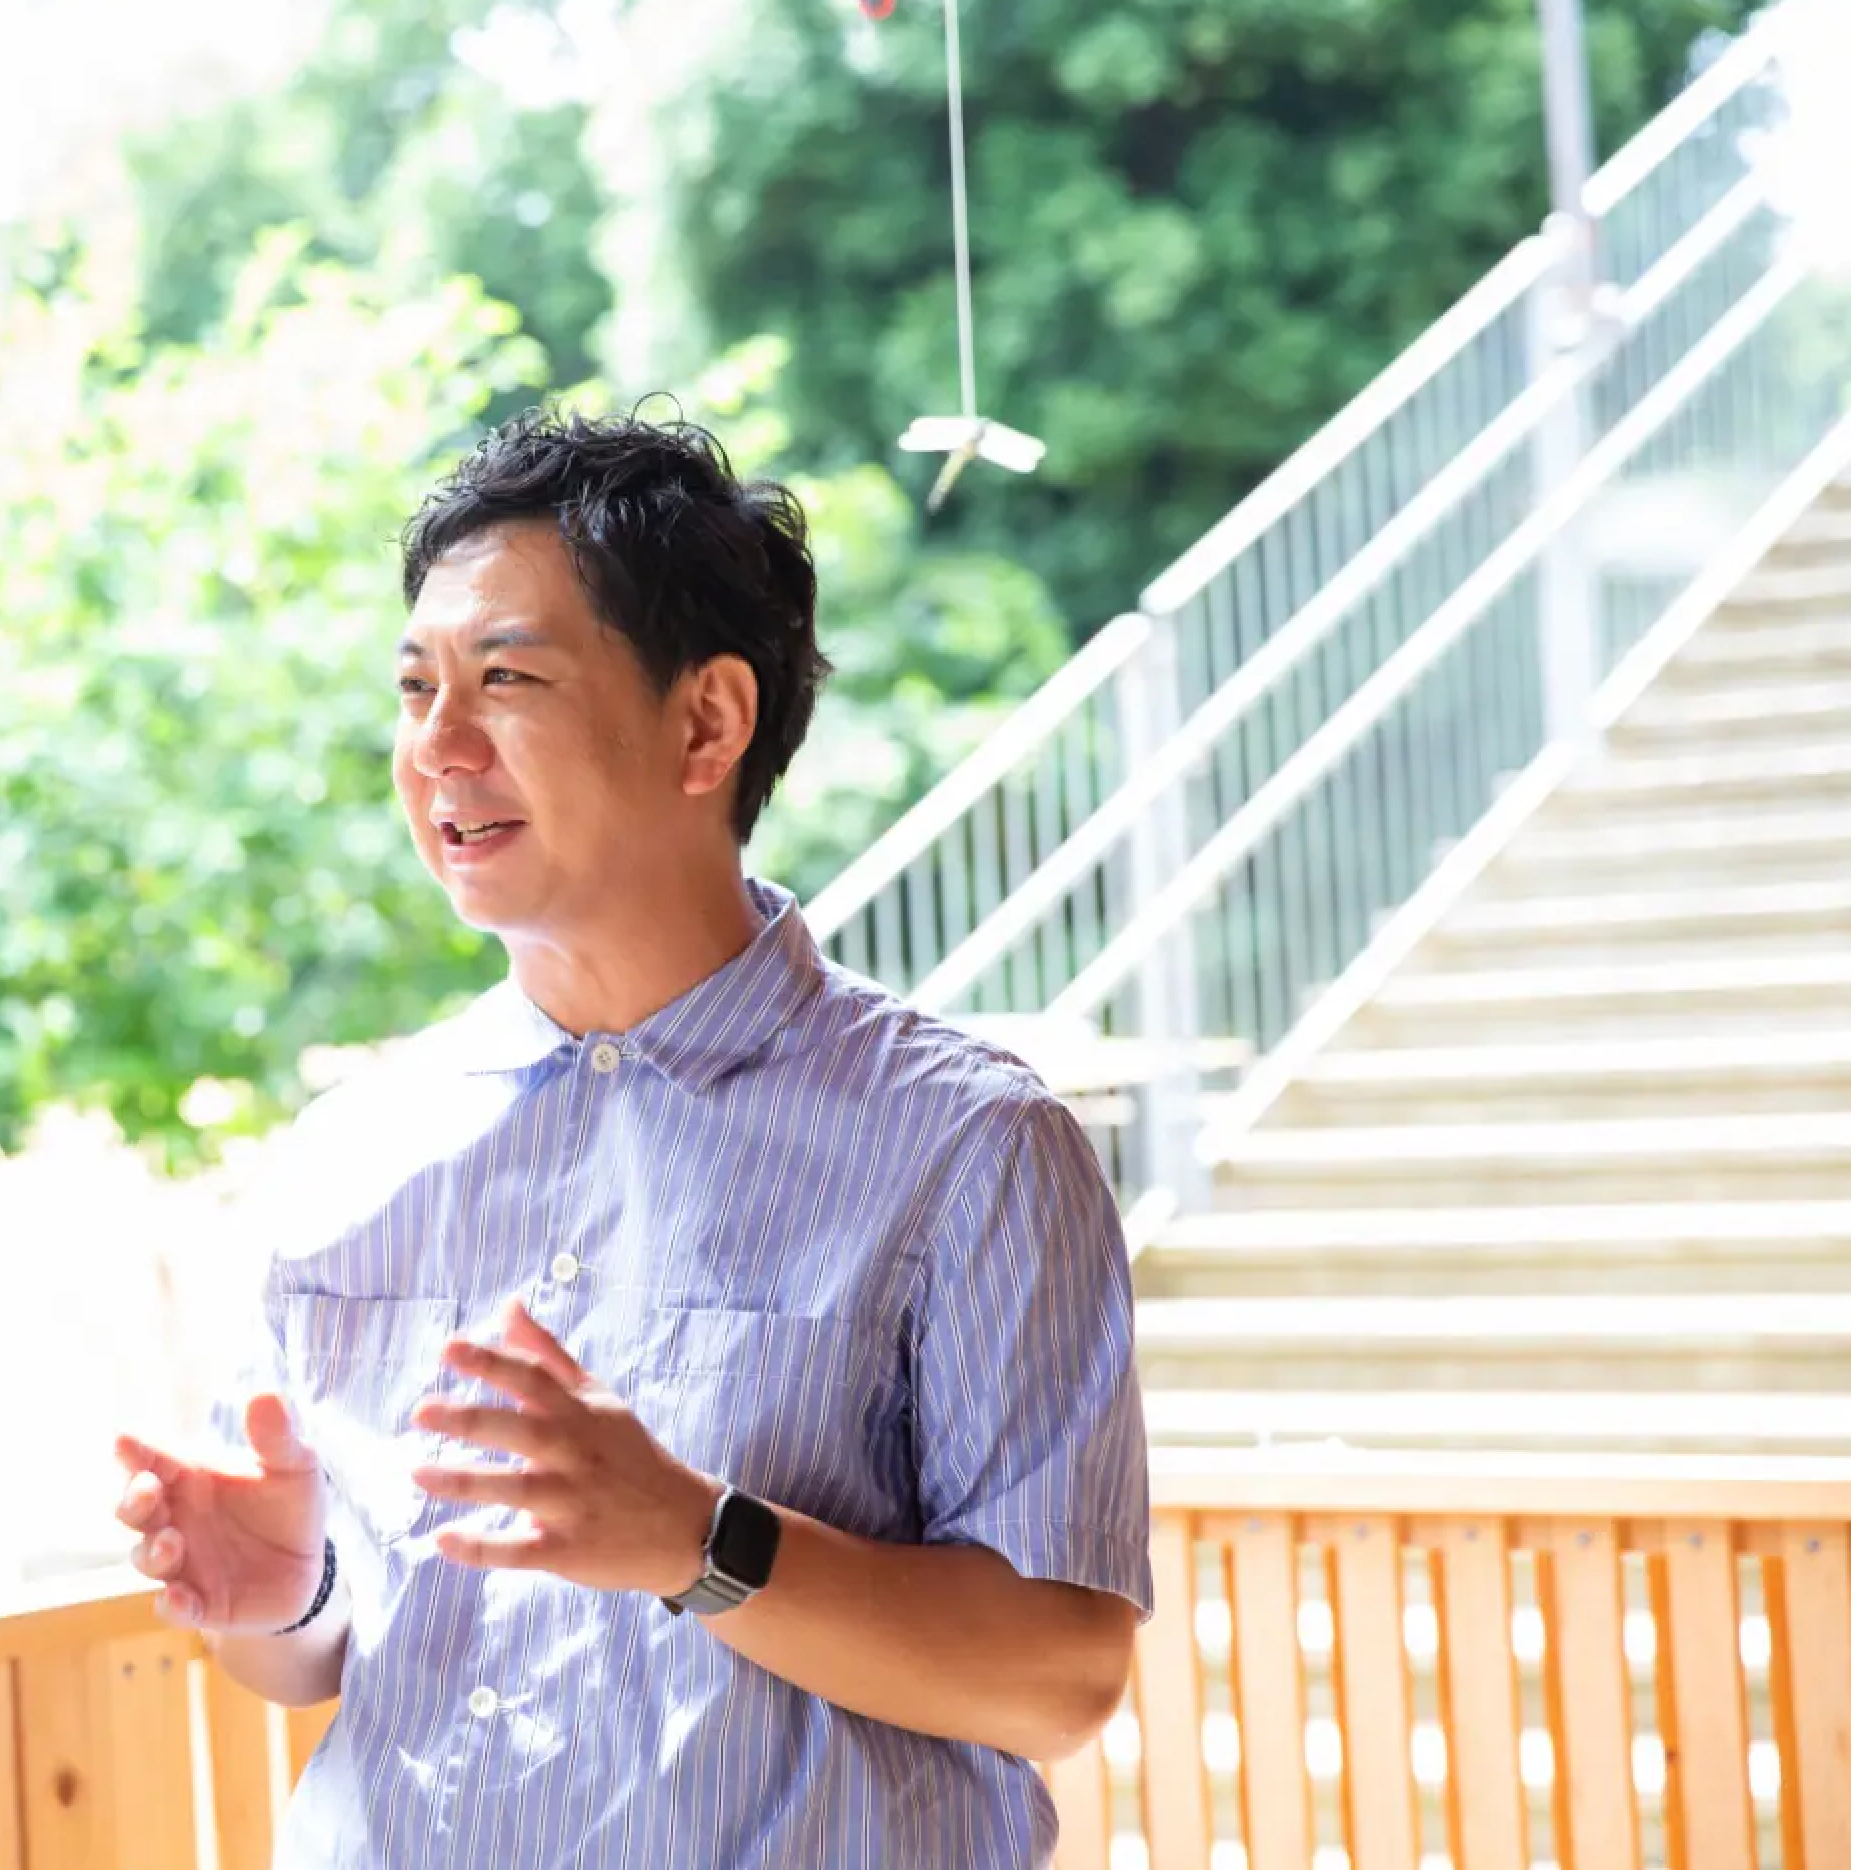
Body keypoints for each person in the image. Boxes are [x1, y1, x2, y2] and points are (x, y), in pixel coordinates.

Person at [111, 407, 1151, 1868]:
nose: (436, 745)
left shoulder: (973, 1149)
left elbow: (1057, 1675)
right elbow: (308, 1657)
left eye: (506, 677)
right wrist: (286, 1593)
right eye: (413, 687)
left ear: (706, 723)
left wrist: (693, 1538)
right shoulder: (347, 1152)